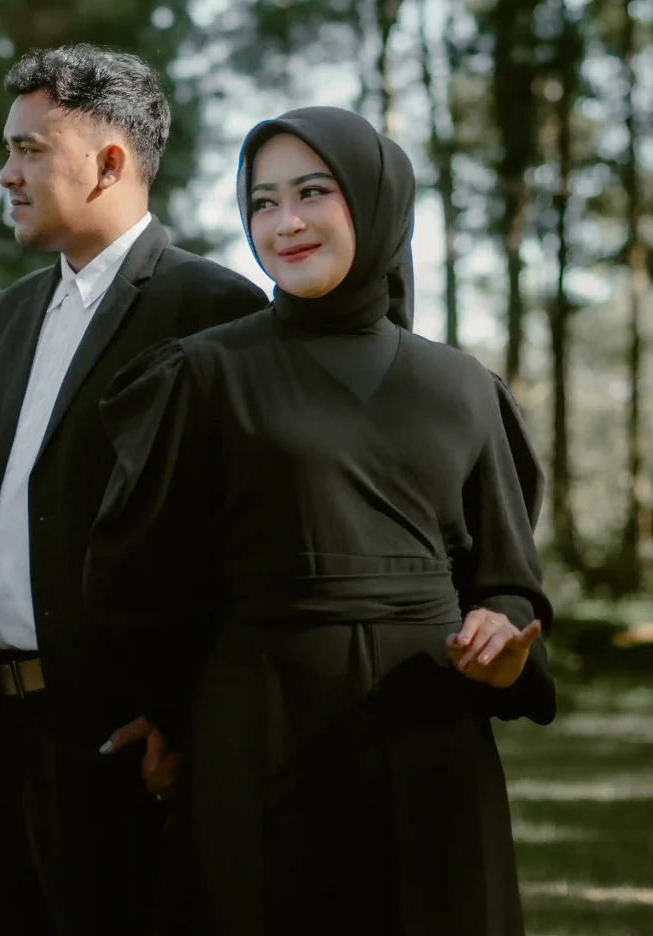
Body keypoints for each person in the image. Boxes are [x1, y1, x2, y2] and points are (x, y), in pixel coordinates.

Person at [87, 106, 556, 935]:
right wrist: (175, 716)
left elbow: (508, 581)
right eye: (262, 202)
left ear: (376, 201)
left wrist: (502, 641)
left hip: (430, 739)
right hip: (256, 737)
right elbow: (141, 578)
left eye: (312, 192)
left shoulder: (462, 387)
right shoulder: (203, 374)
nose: (287, 223)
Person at [0, 44, 267, 935]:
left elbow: (246, 543)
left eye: (29, 150)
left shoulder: (215, 311)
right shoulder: (8, 316)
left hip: (123, 746)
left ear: (109, 163)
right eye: (9, 150)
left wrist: (186, 720)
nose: (6, 174)